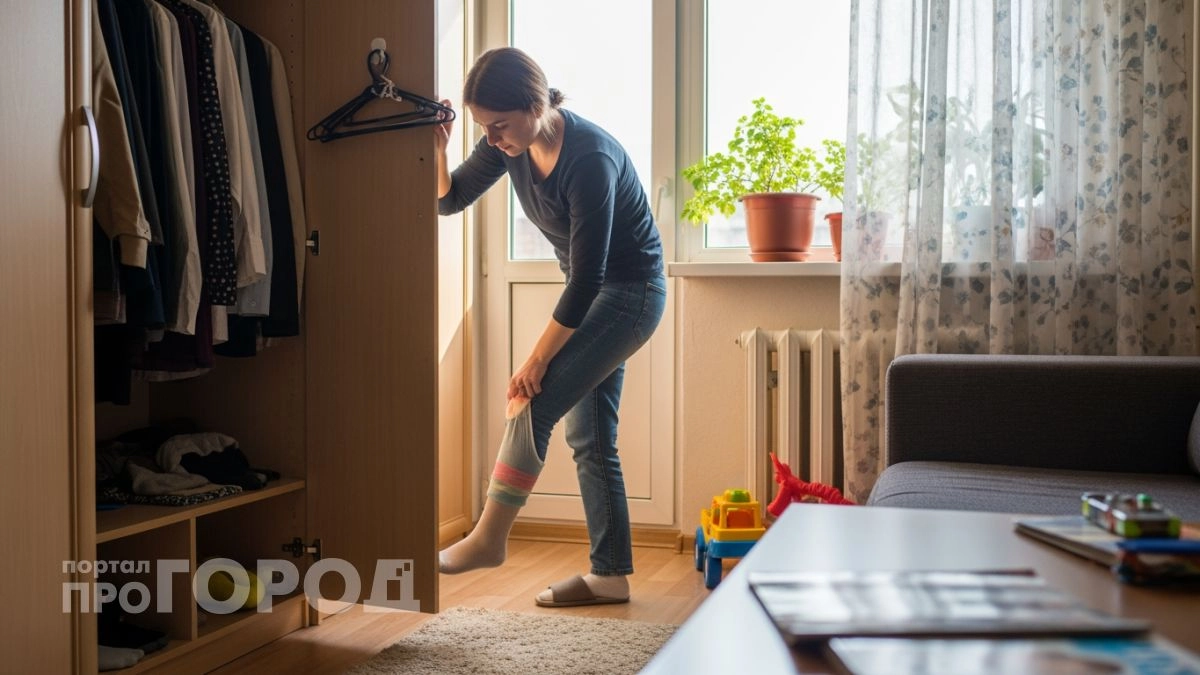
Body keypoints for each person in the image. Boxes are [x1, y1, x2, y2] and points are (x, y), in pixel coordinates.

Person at [434, 47, 666, 608]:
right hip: (594, 295)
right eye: (483, 128)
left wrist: (535, 360)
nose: (492, 139)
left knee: (531, 402)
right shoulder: (511, 145)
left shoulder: (590, 158)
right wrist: (435, 151)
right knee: (590, 438)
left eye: (499, 126)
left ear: (536, 104)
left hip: (631, 295)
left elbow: (589, 278)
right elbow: (450, 201)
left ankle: (489, 539)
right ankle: (610, 575)